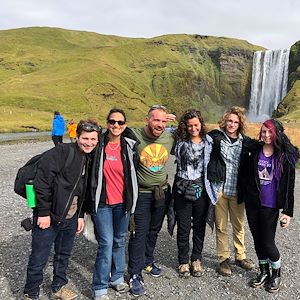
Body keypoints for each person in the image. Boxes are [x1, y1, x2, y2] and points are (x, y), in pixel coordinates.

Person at [23, 120, 100, 300]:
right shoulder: (61, 152)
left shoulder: (89, 158)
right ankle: (30, 293)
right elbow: (41, 183)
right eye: (85, 138)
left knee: (63, 255)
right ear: (77, 136)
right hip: (49, 216)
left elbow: (82, 191)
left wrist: (80, 216)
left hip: (71, 217)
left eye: (93, 139)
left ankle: (58, 287)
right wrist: (42, 213)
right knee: (39, 257)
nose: (89, 143)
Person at [84, 108, 139, 300]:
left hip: (123, 204)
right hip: (103, 204)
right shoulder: (98, 144)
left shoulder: (130, 146)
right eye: (112, 122)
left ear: (125, 125)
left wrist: (133, 205)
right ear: (107, 123)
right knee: (106, 244)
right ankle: (99, 287)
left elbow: (133, 176)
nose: (116, 125)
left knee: (119, 240)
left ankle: (116, 278)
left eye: (120, 123)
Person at [239, 119, 299, 293]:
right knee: (257, 241)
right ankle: (264, 271)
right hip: (253, 203)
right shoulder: (255, 149)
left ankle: (276, 273)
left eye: (270, 132)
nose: (266, 135)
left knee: (267, 241)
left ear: (277, 133)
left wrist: (288, 212)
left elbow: (289, 185)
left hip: (270, 205)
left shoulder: (285, 155)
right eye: (263, 131)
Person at [127, 104, 176, 297]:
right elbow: (115, 129)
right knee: (139, 233)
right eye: (156, 120)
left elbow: (194, 132)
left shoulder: (170, 136)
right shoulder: (134, 135)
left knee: (154, 230)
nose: (160, 125)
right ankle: (134, 273)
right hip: (142, 194)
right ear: (147, 119)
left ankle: (147, 261)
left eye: (164, 121)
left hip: (162, 192)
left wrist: (176, 122)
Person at [207, 106, 255, 276]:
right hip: (219, 190)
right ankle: (223, 259)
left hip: (238, 191)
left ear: (240, 123)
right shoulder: (215, 137)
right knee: (221, 226)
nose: (232, 124)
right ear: (225, 121)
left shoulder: (246, 142)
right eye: (230, 121)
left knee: (239, 225)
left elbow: (265, 148)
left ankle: (240, 257)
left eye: (236, 122)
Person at [173, 109, 218, 277]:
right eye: (190, 125)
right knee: (183, 226)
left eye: (196, 125)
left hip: (201, 188)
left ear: (201, 124)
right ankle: (183, 261)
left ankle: (196, 259)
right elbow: (163, 131)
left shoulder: (209, 141)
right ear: (185, 126)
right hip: (181, 187)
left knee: (199, 226)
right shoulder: (178, 140)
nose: (193, 128)